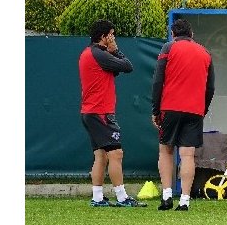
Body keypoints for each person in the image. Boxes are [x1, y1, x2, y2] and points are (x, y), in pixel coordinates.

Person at [151, 18, 216, 211]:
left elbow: (157, 81)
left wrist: (156, 110)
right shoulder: (205, 53)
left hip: (170, 107)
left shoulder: (168, 48)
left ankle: (167, 196)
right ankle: (185, 200)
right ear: (191, 35)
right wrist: (202, 109)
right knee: (188, 155)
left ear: (173, 34)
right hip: (195, 109)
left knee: (166, 150)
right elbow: (210, 87)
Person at [78, 19, 142, 207]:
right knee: (116, 154)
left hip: (90, 112)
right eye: (111, 34)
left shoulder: (88, 53)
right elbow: (128, 66)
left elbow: (116, 70)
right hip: (100, 112)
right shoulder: (100, 54)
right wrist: (115, 50)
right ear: (104, 37)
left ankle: (97, 198)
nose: (114, 38)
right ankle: (122, 197)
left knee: (101, 155)